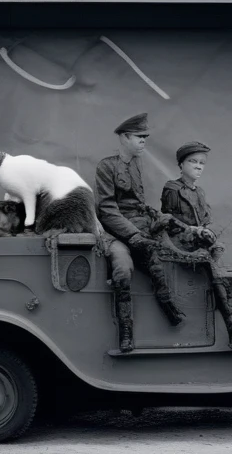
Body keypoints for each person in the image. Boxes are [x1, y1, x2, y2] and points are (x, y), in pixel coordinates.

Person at [94, 113, 188, 353]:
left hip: (138, 227)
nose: (144, 141)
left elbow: (138, 204)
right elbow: (106, 210)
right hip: (115, 233)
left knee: (157, 263)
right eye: (140, 137)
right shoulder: (106, 166)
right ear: (125, 138)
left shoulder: (136, 164)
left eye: (145, 136)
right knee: (123, 270)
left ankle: (169, 308)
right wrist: (134, 236)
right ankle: (126, 330)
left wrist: (155, 219)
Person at [161, 141, 232, 350]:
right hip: (179, 243)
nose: (198, 166)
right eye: (193, 162)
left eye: (202, 163)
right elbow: (168, 222)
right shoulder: (172, 189)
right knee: (212, 269)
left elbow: (205, 220)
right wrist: (193, 231)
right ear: (181, 165)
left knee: (218, 257)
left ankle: (223, 318)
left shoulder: (200, 192)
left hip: (197, 241)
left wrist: (207, 233)